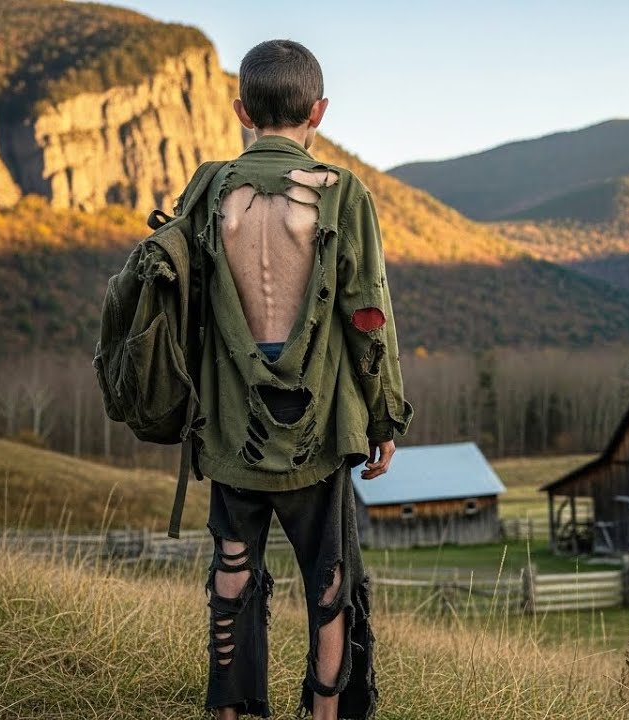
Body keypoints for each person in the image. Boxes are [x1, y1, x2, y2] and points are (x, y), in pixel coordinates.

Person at [190, 39, 413, 720]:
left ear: (240, 110)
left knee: (234, 574)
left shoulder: (207, 191)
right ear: (318, 111)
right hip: (318, 434)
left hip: (231, 430)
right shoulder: (342, 195)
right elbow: (368, 318)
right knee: (330, 581)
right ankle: (324, 712)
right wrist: (385, 416)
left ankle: (231, 711)